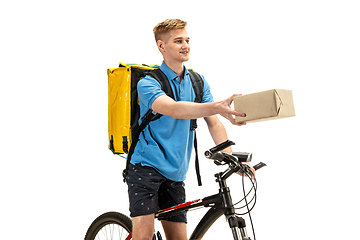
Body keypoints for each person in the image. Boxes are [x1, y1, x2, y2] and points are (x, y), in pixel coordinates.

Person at [126, 19, 254, 240]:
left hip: (176, 171)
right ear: (161, 46)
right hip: (146, 167)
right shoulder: (148, 83)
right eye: (178, 41)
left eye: (187, 40)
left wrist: (231, 158)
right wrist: (216, 106)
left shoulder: (198, 82)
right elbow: (174, 109)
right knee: (144, 237)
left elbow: (213, 122)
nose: (185, 45)